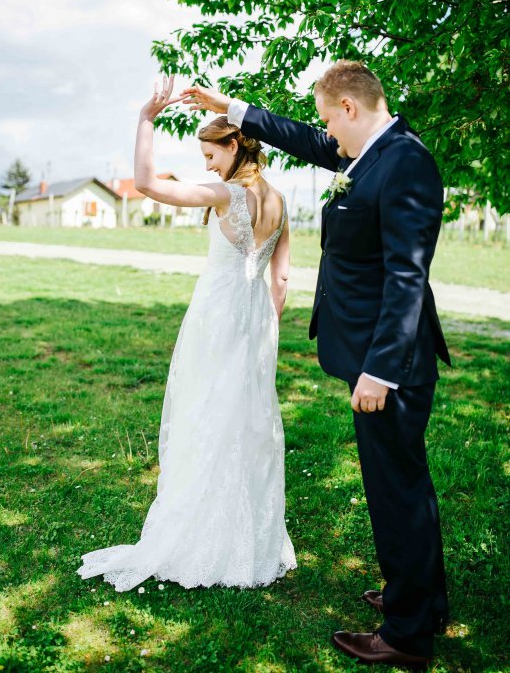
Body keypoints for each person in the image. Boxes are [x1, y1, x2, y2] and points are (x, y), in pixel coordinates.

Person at [182, 60, 450, 669]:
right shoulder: (370, 155)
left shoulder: (403, 162)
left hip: (390, 363)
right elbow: (299, 138)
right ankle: (421, 598)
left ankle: (407, 634)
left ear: (351, 109)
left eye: (330, 120)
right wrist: (232, 106)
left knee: (394, 491)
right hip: (373, 353)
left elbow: (408, 277)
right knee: (405, 481)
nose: (325, 133)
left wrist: (379, 371)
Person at [76, 75, 296, 591]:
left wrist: (145, 120)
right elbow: (280, 280)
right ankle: (251, 538)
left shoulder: (224, 195)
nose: (207, 164)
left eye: (211, 153)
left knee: (203, 417)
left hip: (216, 318)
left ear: (235, 144)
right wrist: (267, 331)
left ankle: (204, 536)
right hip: (256, 323)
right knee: (246, 423)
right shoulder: (281, 203)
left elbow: (149, 185)